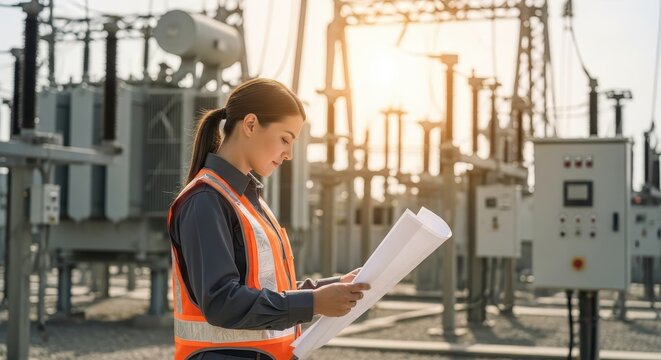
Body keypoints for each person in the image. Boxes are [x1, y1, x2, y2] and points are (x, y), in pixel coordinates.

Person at [167, 78, 370, 360]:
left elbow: (268, 291)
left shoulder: (248, 200)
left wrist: (330, 288)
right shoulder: (205, 200)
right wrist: (313, 303)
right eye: (285, 139)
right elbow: (222, 303)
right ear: (250, 125)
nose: (288, 154)